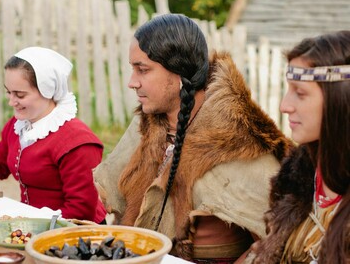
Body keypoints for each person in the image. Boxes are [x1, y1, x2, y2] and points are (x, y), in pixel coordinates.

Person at [94, 13, 292, 263]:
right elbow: (102, 192)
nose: (132, 82)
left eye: (142, 70)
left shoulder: (238, 143)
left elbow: (276, 239)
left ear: (179, 73)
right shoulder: (147, 125)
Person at [245, 30, 350, 263]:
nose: (284, 106)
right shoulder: (298, 178)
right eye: (288, 90)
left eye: (300, 93)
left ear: (341, 101)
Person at [0, 46, 107, 224]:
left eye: (20, 94)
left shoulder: (78, 143)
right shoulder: (17, 126)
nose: (11, 101)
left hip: (74, 232)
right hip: (32, 226)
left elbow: (81, 210)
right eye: (9, 92)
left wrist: (31, 223)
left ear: (47, 90)